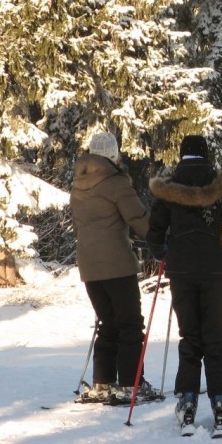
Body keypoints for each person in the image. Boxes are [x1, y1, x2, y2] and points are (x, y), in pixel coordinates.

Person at [146, 134, 222, 436]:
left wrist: (164, 253)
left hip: (181, 271)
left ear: (182, 156)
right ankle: (220, 402)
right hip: (214, 271)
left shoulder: (168, 189)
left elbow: (154, 234)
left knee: (190, 336)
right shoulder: (219, 185)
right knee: (215, 337)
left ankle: (188, 402)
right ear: (205, 155)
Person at [69, 132, 158, 404]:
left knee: (107, 323)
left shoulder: (78, 183)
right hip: (117, 265)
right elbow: (138, 218)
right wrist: (161, 237)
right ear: (113, 154)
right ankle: (131, 384)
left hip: (88, 266)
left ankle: (102, 383)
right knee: (130, 324)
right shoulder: (116, 182)